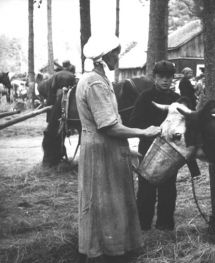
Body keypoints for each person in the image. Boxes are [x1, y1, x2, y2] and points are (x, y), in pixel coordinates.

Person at [75, 34, 161, 263]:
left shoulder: (102, 81)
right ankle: (102, 252)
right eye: (114, 52)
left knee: (113, 199)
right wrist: (144, 132)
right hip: (101, 149)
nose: (117, 56)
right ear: (102, 56)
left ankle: (116, 248)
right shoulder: (94, 82)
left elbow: (112, 123)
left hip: (109, 148)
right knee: (103, 200)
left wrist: (127, 149)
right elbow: (108, 126)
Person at [130, 60, 199, 231]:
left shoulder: (178, 100)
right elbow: (133, 122)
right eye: (161, 77)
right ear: (154, 77)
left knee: (168, 188)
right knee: (146, 188)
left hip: (172, 150)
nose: (165, 80)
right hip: (148, 148)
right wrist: (148, 130)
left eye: (169, 77)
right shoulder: (145, 97)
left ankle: (165, 225)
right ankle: (143, 225)